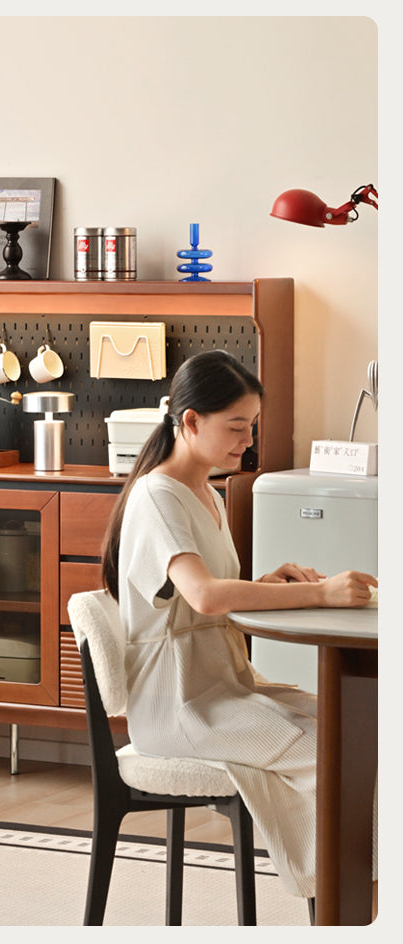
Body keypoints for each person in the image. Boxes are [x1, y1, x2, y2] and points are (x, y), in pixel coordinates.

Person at [100, 349, 377, 904]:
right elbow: (203, 597)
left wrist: (272, 582)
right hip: (178, 706)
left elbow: (209, 592)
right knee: (337, 751)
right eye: (235, 427)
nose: (246, 440)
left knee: (362, 733)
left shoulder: (207, 493)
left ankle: (357, 892)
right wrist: (317, 593)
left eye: (250, 426)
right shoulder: (158, 496)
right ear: (190, 421)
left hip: (225, 688)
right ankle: (344, 900)